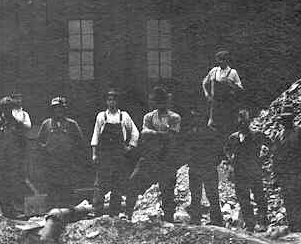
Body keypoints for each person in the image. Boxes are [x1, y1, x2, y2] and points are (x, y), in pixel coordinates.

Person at [126, 86, 181, 221]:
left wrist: (154, 134)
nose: (160, 104)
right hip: (150, 156)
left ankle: (169, 219)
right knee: (133, 181)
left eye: (162, 101)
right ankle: (127, 215)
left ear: (166, 101)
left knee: (167, 188)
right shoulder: (149, 117)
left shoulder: (174, 117)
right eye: (157, 101)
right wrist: (161, 134)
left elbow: (172, 137)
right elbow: (144, 134)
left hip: (166, 157)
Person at [90, 89, 139, 216]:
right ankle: (97, 211)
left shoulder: (124, 116)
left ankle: (114, 212)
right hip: (105, 153)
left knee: (117, 183)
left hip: (118, 154)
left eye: (114, 100)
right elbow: (95, 134)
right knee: (100, 183)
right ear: (106, 102)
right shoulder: (101, 116)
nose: (111, 102)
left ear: (117, 102)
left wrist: (130, 147)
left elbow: (135, 133)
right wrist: (94, 153)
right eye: (109, 100)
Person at [224, 109, 269, 231]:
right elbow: (227, 150)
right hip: (240, 173)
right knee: (243, 199)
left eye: (244, 122)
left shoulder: (257, 135)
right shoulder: (233, 138)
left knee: (259, 197)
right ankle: (250, 224)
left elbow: (271, 145)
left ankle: (263, 223)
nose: (242, 124)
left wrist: (263, 158)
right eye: (240, 122)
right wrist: (231, 161)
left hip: (254, 171)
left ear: (248, 122)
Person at [270, 108, 301, 231]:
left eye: (288, 119)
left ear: (292, 119)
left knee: (299, 198)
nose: (285, 121)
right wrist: (275, 176)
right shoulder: (279, 135)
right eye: (283, 119)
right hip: (285, 173)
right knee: (288, 199)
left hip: (298, 170)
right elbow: (276, 157)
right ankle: (293, 226)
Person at [38, 97, 85, 209]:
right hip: (52, 164)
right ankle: (52, 214)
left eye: (60, 108)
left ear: (64, 110)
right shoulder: (47, 124)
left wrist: (72, 153)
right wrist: (46, 149)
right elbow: (39, 142)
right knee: (52, 191)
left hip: (67, 164)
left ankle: (67, 214)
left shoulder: (71, 124)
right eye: (55, 109)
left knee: (67, 191)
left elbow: (80, 142)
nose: (57, 111)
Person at [184, 113, 225, 226]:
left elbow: (220, 151)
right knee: (196, 194)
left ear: (205, 119)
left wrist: (213, 163)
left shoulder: (212, 133)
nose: (198, 120)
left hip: (207, 168)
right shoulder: (192, 133)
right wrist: (191, 162)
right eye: (197, 118)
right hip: (197, 168)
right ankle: (196, 219)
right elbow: (186, 150)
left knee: (212, 194)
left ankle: (215, 220)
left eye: (200, 118)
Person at [0, 96, 28, 218]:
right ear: (1, 109)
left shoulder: (17, 124)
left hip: (15, 160)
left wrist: (21, 159)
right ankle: (6, 212)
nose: (6, 110)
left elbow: (23, 143)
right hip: (0, 160)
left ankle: (18, 211)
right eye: (4, 108)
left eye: (9, 108)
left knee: (16, 185)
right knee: (2, 187)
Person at [201, 50, 243, 135]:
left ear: (227, 60)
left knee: (226, 127)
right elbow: (204, 82)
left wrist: (230, 84)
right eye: (219, 60)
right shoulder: (214, 71)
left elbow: (240, 88)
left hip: (227, 104)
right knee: (212, 126)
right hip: (215, 104)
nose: (220, 62)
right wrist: (206, 94)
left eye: (223, 60)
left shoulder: (233, 72)